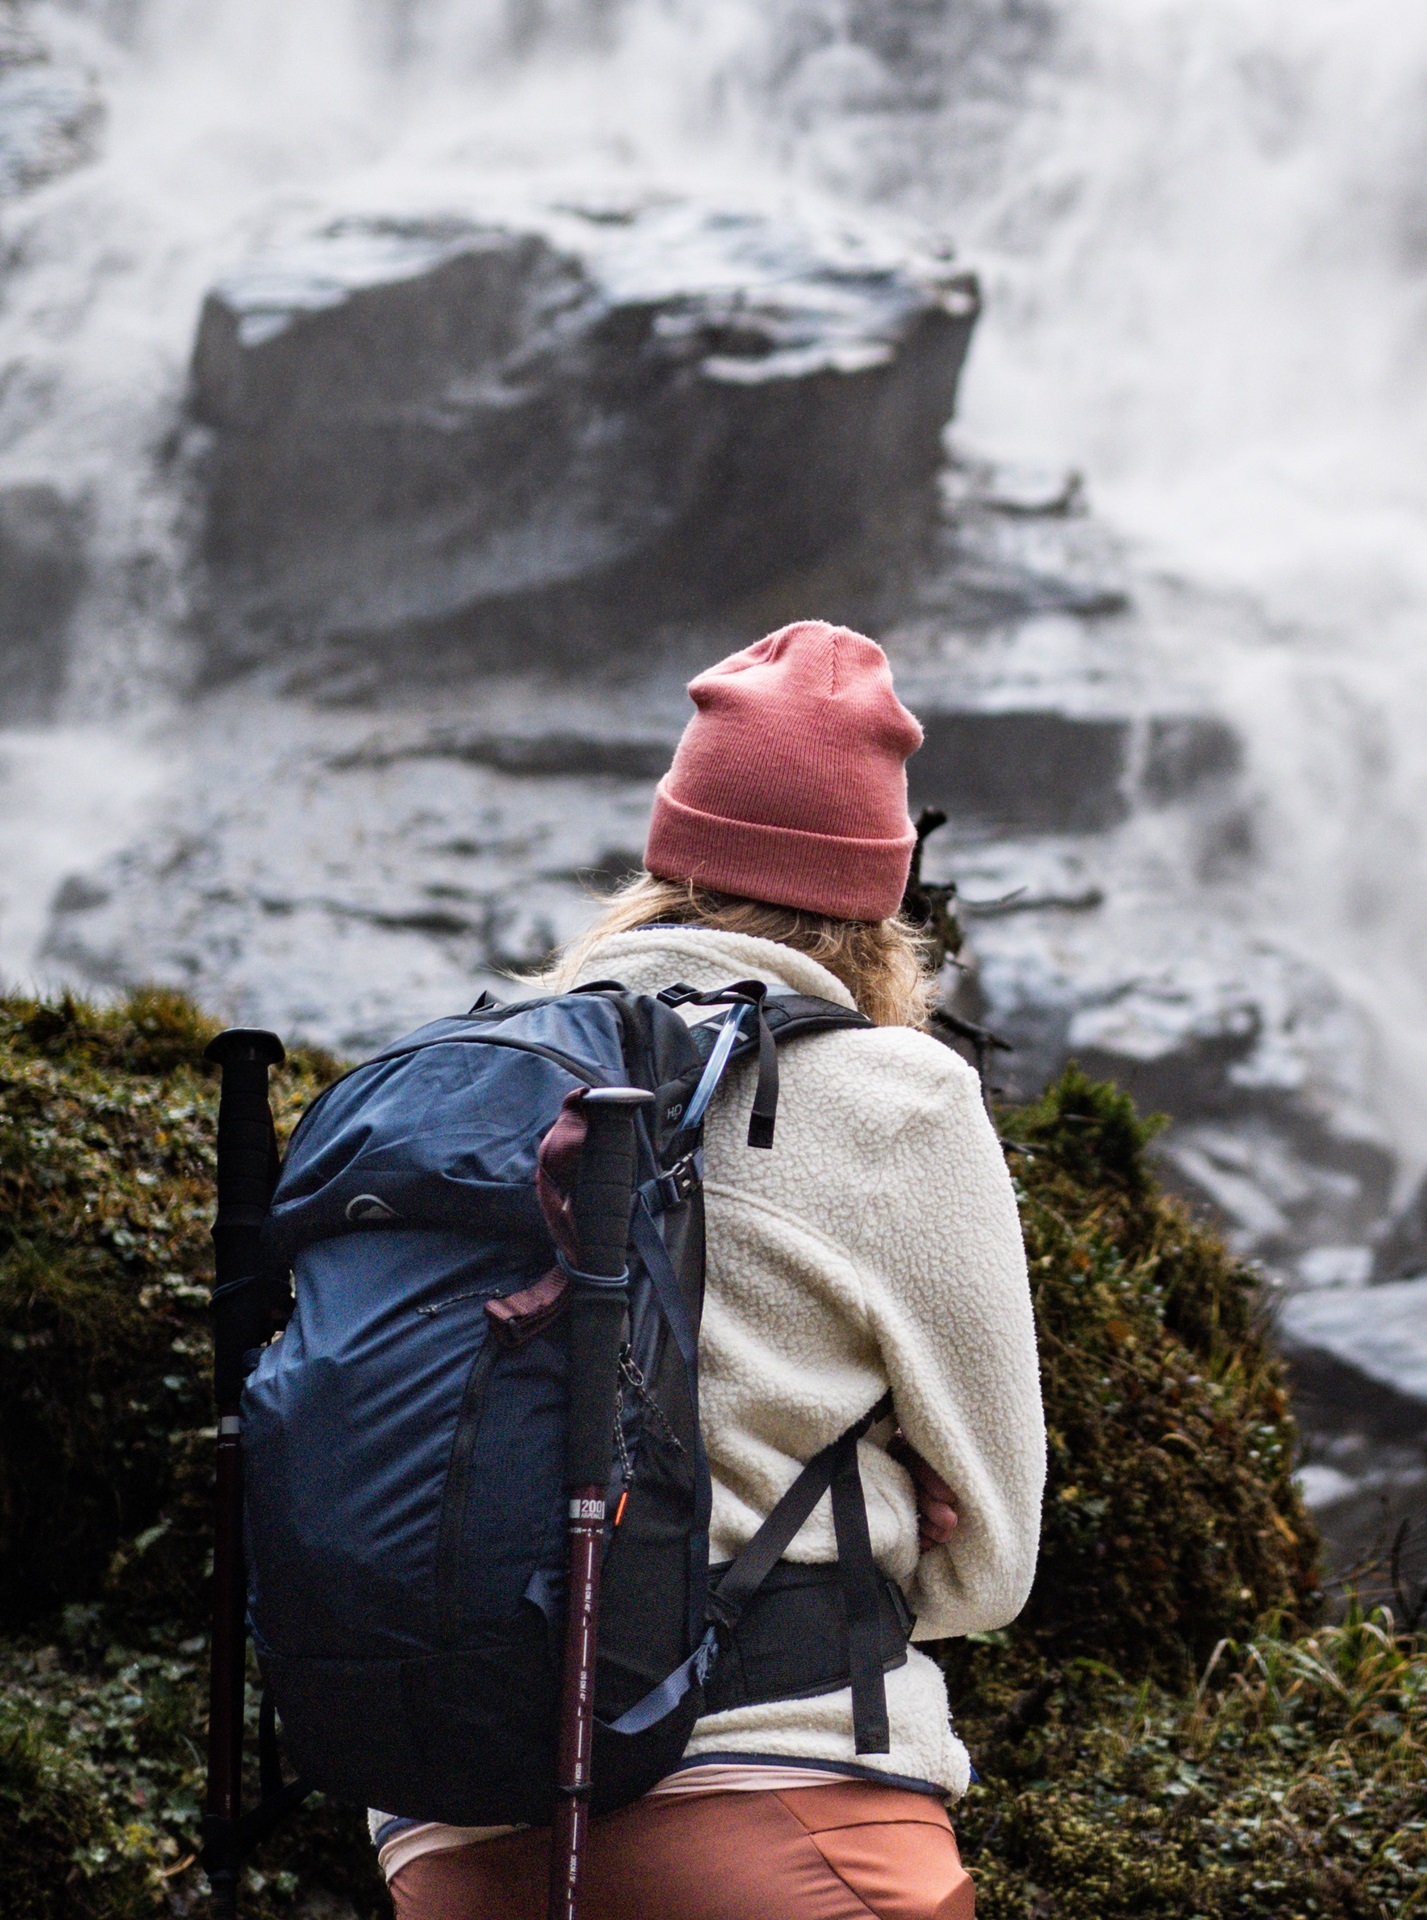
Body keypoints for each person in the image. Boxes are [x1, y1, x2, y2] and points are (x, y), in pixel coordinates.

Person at [381, 622, 1046, 1920]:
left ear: (666, 854)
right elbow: (994, 1568)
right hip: (779, 1804)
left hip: (444, 1831)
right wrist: (889, 1506)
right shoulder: (897, 1097)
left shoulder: (474, 1074)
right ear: (876, 895)